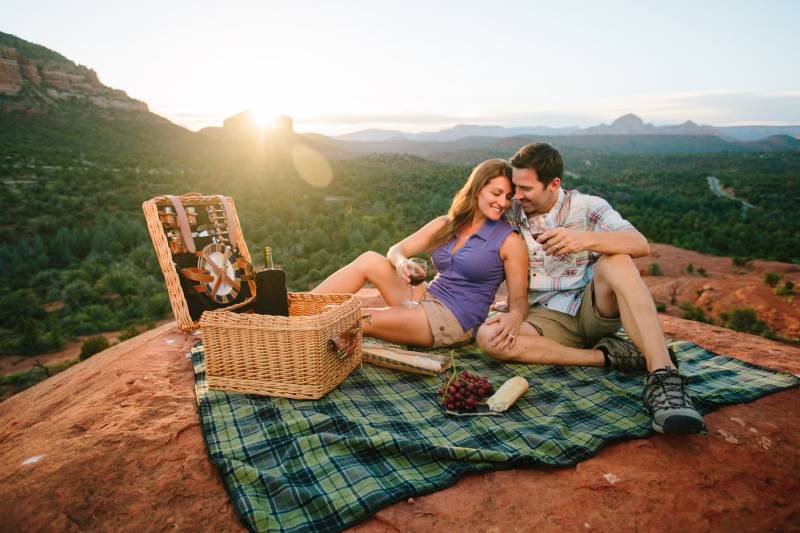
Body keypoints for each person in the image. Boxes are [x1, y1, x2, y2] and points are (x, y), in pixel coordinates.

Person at [476, 143, 705, 435]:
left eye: (525, 189)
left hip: (592, 307)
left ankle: (664, 378)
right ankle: (610, 357)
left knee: (618, 260)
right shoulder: (513, 212)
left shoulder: (587, 206)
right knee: (489, 337)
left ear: (554, 184)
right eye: (514, 188)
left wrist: (584, 239)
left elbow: (639, 243)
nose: (517, 196)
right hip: (545, 316)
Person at [312, 159, 529, 349]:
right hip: (425, 296)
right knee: (370, 259)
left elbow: (519, 299)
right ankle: (294, 310)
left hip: (455, 319)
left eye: (508, 197)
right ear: (477, 188)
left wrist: (515, 316)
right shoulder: (447, 224)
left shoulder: (509, 241)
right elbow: (396, 250)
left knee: (350, 319)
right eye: (496, 193)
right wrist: (401, 263)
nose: (502, 203)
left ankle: (300, 330)